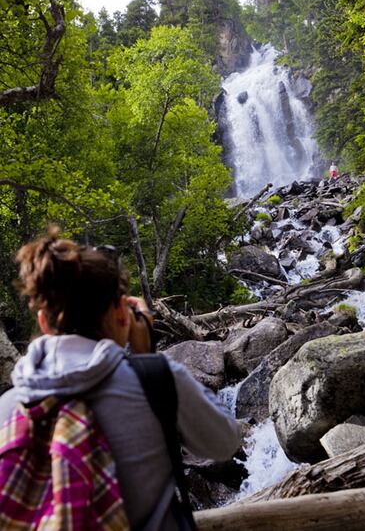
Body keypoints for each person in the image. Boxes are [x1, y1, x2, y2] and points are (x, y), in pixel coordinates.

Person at [0, 227, 240, 530]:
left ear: (44, 322)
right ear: (123, 314)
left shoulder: (7, 408)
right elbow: (225, 443)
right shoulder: (156, 381)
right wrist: (146, 359)